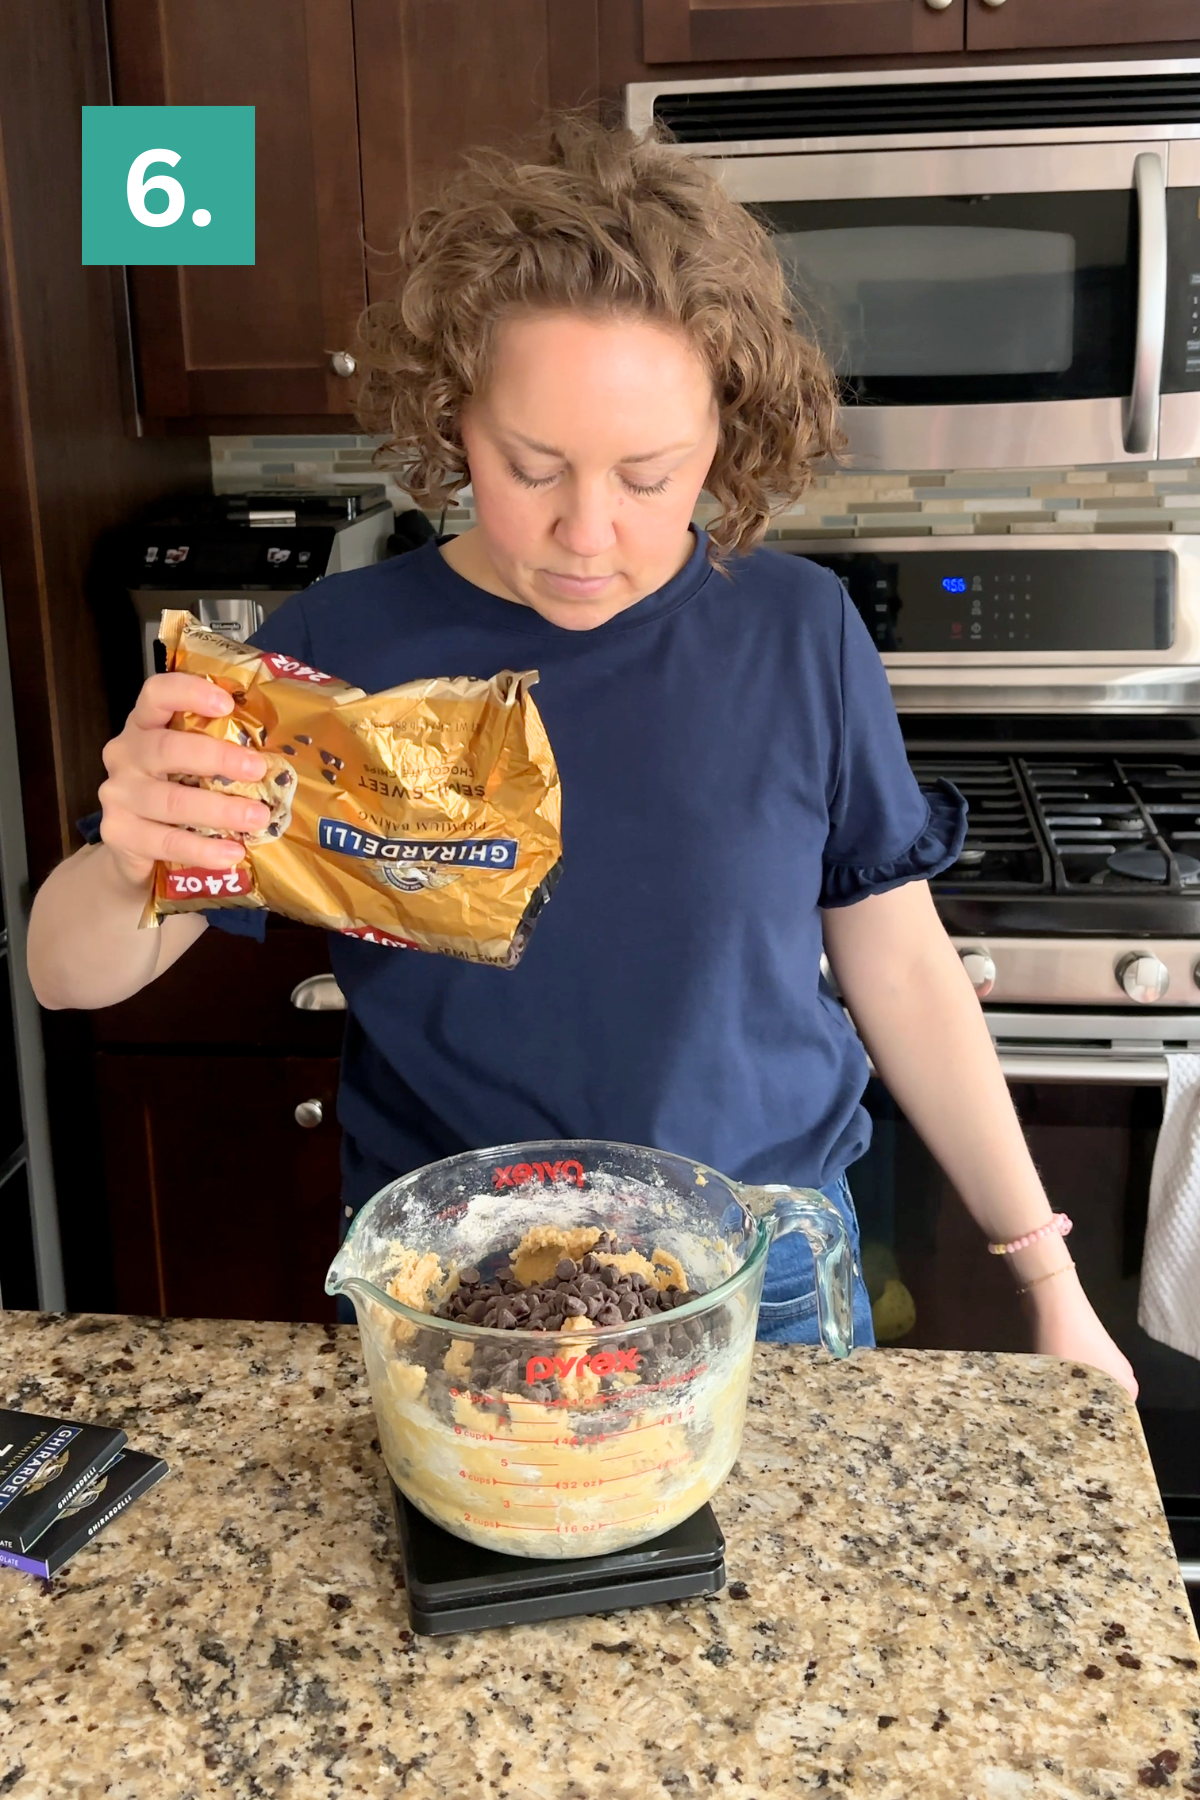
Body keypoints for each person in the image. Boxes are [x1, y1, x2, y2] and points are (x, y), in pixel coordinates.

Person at [28, 118, 1136, 1396]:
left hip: (758, 1268)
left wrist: (1047, 1280)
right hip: (457, 1285)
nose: (587, 532)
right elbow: (69, 976)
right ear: (455, 420)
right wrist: (126, 860)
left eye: (652, 474)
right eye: (531, 466)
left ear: (724, 434)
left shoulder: (800, 632)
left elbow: (897, 959)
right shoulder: (332, 655)